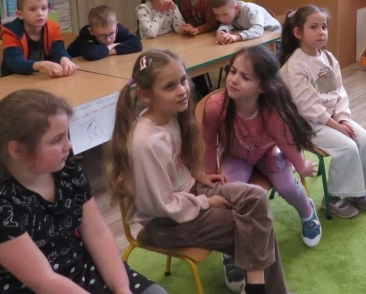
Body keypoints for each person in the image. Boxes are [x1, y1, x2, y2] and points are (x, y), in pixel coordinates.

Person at [106, 49, 292, 294]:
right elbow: (160, 206)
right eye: (170, 86)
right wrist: (206, 202)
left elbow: (176, 163)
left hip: (189, 196)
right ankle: (263, 290)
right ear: (145, 94)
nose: (182, 90)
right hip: (167, 223)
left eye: (183, 80)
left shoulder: (169, 116)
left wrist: (198, 175)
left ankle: (255, 288)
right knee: (254, 226)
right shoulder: (145, 143)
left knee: (255, 198)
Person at [0, 89, 166, 294]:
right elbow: (44, 281)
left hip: (77, 270)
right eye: (57, 140)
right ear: (17, 150)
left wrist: (122, 288)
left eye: (66, 135)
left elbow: (98, 234)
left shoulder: (69, 174)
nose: (69, 145)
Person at [203, 45, 322, 246]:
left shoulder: (272, 112)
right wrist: (209, 175)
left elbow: (286, 144)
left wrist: (302, 167)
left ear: (262, 87)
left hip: (268, 152)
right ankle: (231, 242)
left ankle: (307, 211)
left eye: (245, 77)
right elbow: (207, 144)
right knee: (230, 195)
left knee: (288, 187)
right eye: (233, 71)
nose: (234, 80)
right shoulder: (216, 107)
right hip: (235, 156)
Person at [279, 5, 366, 219]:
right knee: (348, 147)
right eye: (313, 27)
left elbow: (338, 93)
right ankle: (332, 197)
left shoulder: (327, 58)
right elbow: (308, 107)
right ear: (298, 32)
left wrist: (343, 119)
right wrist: (337, 126)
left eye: (324, 27)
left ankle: (357, 191)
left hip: (332, 119)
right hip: (307, 124)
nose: (321, 32)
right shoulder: (295, 65)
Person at [0, 0, 77, 77]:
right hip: (15, 78)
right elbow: (16, 63)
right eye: (33, 9)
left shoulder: (53, 28)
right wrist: (41, 65)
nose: (40, 13)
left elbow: (59, 50)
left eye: (43, 8)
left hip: (42, 76)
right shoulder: (10, 33)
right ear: (20, 15)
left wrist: (64, 58)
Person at [177, 0, 218, 97]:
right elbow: (188, 16)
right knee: (190, 58)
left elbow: (212, 23)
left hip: (213, 35)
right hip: (199, 36)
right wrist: (190, 26)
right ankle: (201, 93)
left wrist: (198, 30)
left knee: (198, 59)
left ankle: (205, 94)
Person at [67, 5, 142, 61]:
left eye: (112, 34)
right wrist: (113, 46)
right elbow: (91, 54)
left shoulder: (116, 28)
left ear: (116, 25)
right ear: (91, 31)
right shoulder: (85, 33)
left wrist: (104, 51)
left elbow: (137, 44)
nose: (108, 40)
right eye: (102, 36)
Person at [210, 0, 281, 45]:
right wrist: (222, 33)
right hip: (258, 39)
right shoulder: (230, 13)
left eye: (225, 14)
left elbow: (258, 30)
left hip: (275, 39)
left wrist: (237, 37)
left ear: (237, 8)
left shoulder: (251, 10)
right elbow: (226, 25)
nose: (221, 19)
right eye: (217, 15)